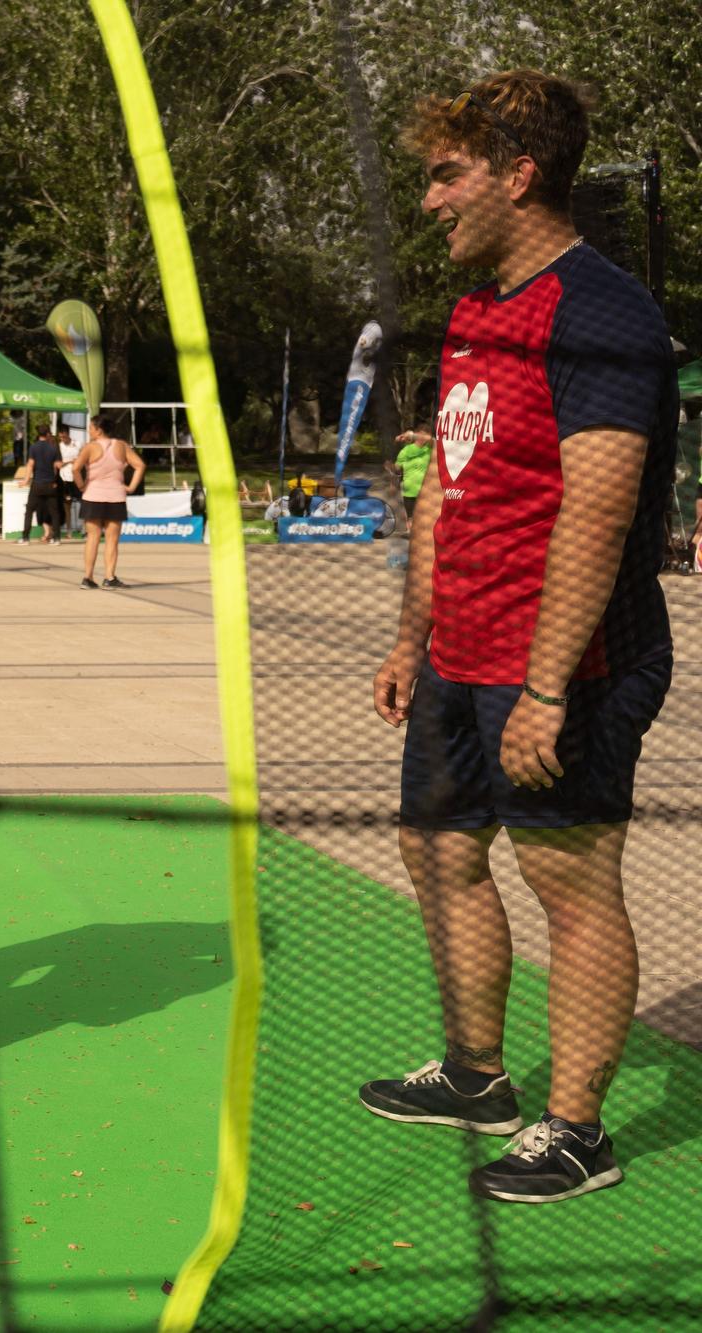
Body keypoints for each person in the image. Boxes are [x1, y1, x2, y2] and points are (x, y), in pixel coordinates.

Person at [364, 70, 676, 1206]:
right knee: (435, 851)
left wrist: (544, 689)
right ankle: (474, 1072)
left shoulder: (597, 310)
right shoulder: (472, 307)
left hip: (570, 661)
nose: (432, 200)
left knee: (568, 880)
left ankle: (578, 1130)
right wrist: (413, 637)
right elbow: (446, 492)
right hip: (461, 652)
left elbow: (594, 510)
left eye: (448, 175)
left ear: (518, 173)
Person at [74, 410, 145, 588]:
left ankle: (88, 577)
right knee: (112, 539)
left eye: (91, 427)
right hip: (116, 496)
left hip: (92, 496)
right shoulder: (121, 446)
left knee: (93, 537)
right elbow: (140, 465)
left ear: (99, 430)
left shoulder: (90, 447)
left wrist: (82, 486)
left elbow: (75, 468)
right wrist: (131, 487)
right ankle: (109, 577)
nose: (89, 430)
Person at [17, 430, 65, 544]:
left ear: (38, 434)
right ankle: (57, 538)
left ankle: (25, 537)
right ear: (48, 435)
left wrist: (25, 480)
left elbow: (30, 465)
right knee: (54, 512)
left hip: (37, 483)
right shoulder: (54, 448)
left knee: (29, 510)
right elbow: (59, 465)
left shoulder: (33, 447)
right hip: (50, 484)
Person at [394, 428, 434, 518]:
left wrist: (411, 435)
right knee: (411, 519)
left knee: (424, 520)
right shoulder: (405, 451)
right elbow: (397, 469)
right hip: (409, 493)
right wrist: (394, 468)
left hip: (426, 493)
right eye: (421, 435)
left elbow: (433, 439)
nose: (423, 437)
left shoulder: (429, 448)